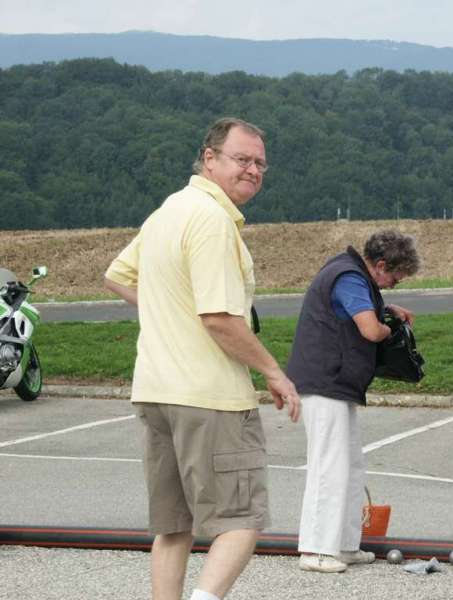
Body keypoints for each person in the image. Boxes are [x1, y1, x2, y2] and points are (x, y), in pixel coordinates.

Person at [104, 117, 300, 600]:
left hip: (154, 390)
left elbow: (116, 275)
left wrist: (169, 309)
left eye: (260, 163)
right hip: (210, 397)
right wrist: (274, 371)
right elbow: (218, 317)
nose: (252, 170)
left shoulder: (169, 210)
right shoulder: (212, 221)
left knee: (173, 526)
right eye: (242, 159)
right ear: (209, 158)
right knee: (241, 519)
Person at [288, 230, 419, 573]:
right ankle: (315, 549)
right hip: (325, 381)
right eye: (394, 277)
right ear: (379, 265)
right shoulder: (349, 277)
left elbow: (357, 308)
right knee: (328, 466)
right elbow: (369, 330)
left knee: (349, 465)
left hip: (336, 383)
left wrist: (384, 306)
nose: (394, 284)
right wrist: (389, 328)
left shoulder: (352, 275)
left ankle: (343, 544)